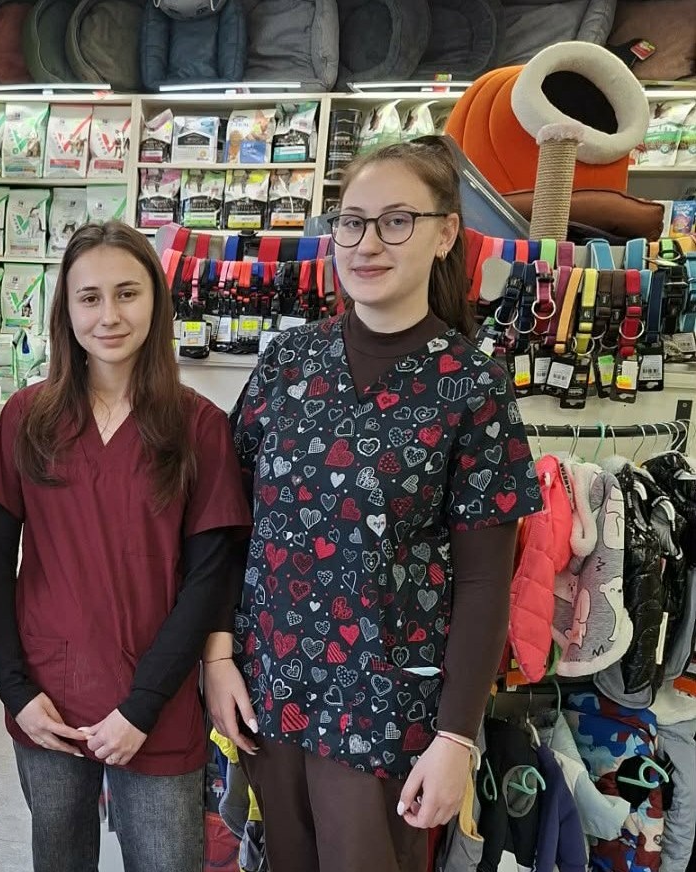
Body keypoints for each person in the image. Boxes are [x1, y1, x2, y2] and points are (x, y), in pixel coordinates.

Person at [204, 136, 544, 872]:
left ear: (445, 233)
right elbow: (231, 525)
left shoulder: (473, 386)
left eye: (396, 221)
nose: (366, 243)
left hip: (386, 704)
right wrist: (218, 655)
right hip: (272, 689)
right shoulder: (289, 362)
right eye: (351, 222)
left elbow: (486, 581)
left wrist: (457, 737)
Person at [0, 222, 249, 872]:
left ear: (156, 300)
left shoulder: (198, 427)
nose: (109, 316)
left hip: (158, 700)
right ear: (66, 310)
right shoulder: (27, 418)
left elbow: (208, 581)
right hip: (48, 697)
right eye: (89, 298)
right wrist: (14, 691)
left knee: (167, 860)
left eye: (127, 293)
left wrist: (142, 707)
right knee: (59, 858)